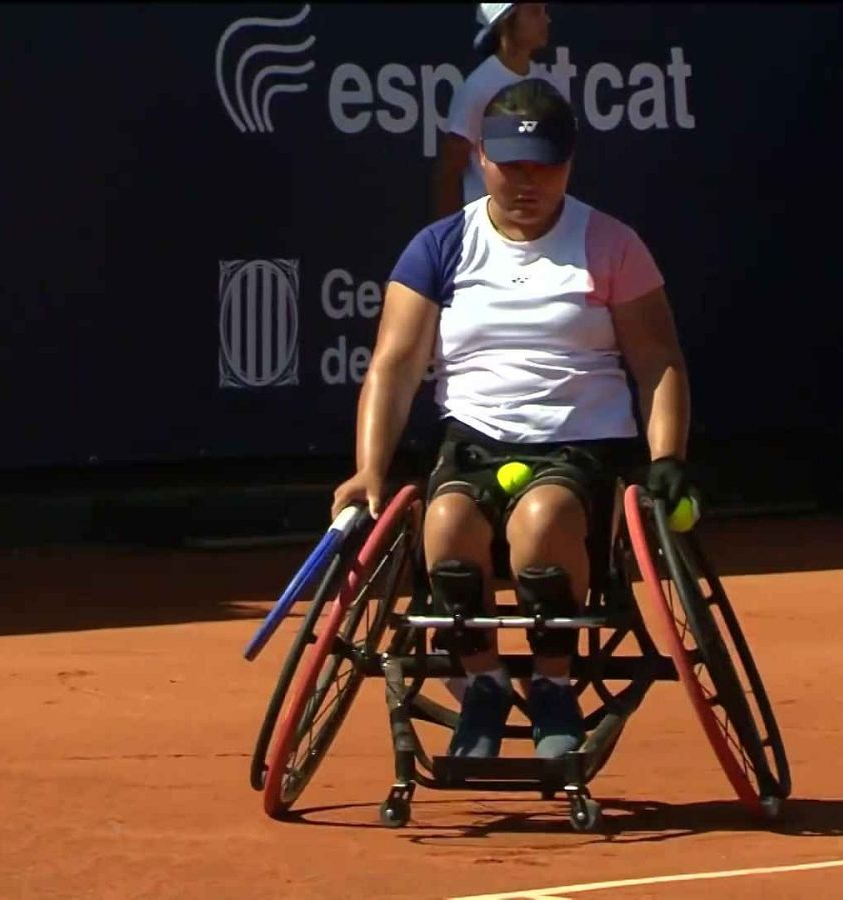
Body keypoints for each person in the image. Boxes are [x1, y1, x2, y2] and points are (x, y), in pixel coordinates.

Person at [333, 77, 691, 760]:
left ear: (570, 163)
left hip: (580, 448)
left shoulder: (612, 244)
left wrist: (668, 457)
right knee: (444, 525)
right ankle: (485, 683)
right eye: (508, 165)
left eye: (544, 166)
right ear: (480, 160)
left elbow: (659, 363)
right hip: (473, 446)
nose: (526, 180)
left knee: (544, 522)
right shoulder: (439, 247)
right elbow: (395, 365)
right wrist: (368, 471)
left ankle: (554, 683)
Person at [431, 3, 559, 220]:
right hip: (485, 229)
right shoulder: (479, 86)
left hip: (537, 231)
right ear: (506, 22)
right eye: (535, 11)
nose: (546, 20)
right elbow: (449, 172)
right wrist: (449, 239)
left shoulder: (547, 84)